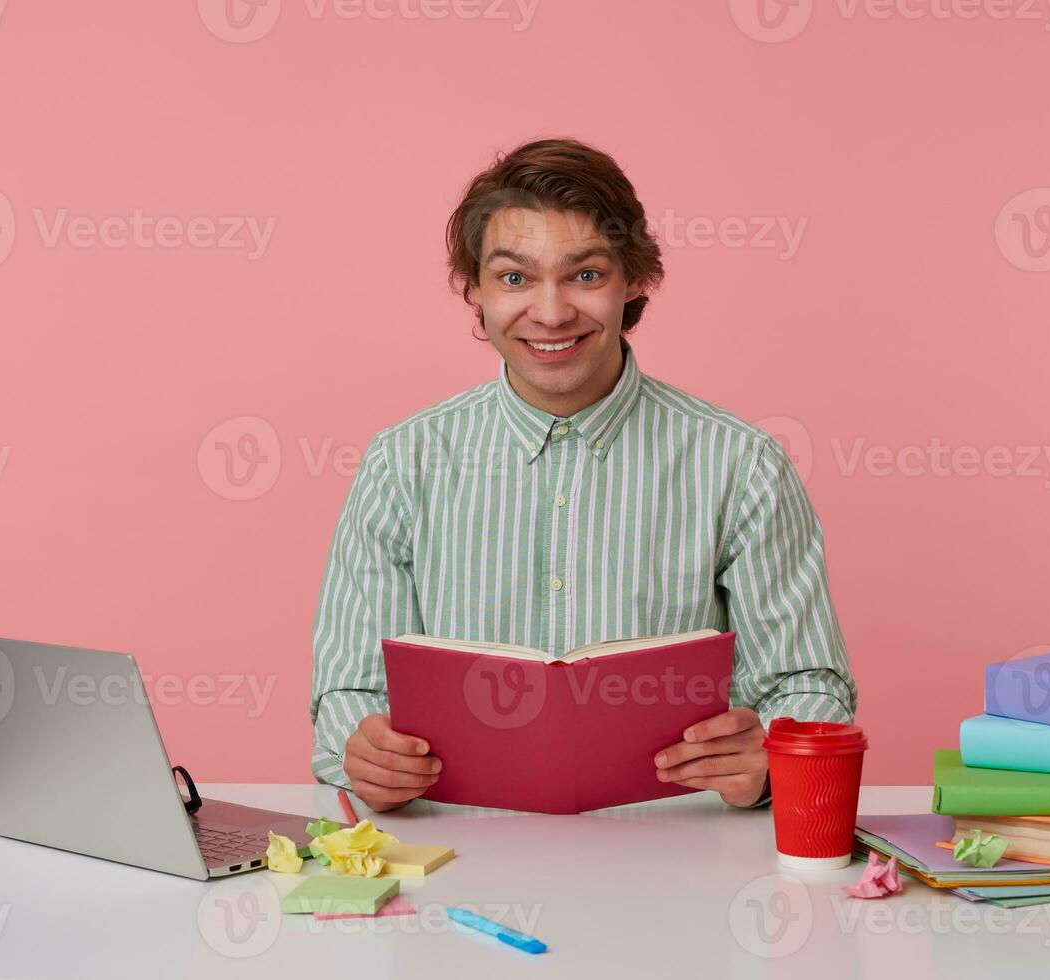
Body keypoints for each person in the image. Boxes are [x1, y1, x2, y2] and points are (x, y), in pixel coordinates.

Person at [310, 137, 856, 811]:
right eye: (514, 278)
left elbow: (810, 684)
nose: (550, 312)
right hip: (457, 848)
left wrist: (772, 751)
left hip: (675, 850)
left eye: (586, 275)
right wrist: (363, 751)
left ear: (635, 280)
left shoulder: (740, 465)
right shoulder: (402, 464)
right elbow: (350, 694)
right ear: (474, 291)